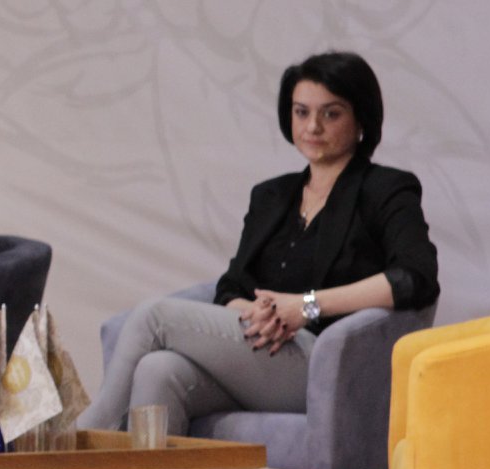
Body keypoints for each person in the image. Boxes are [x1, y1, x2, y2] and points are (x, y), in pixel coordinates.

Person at [83, 51, 439, 435]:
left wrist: (306, 306)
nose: (313, 126)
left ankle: (83, 440)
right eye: (301, 112)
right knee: (159, 369)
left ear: (361, 120)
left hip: (326, 363)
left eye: (331, 113)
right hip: (261, 352)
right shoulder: (271, 196)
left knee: (155, 317)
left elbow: (414, 277)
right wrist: (258, 313)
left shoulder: (386, 188)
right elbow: (231, 286)